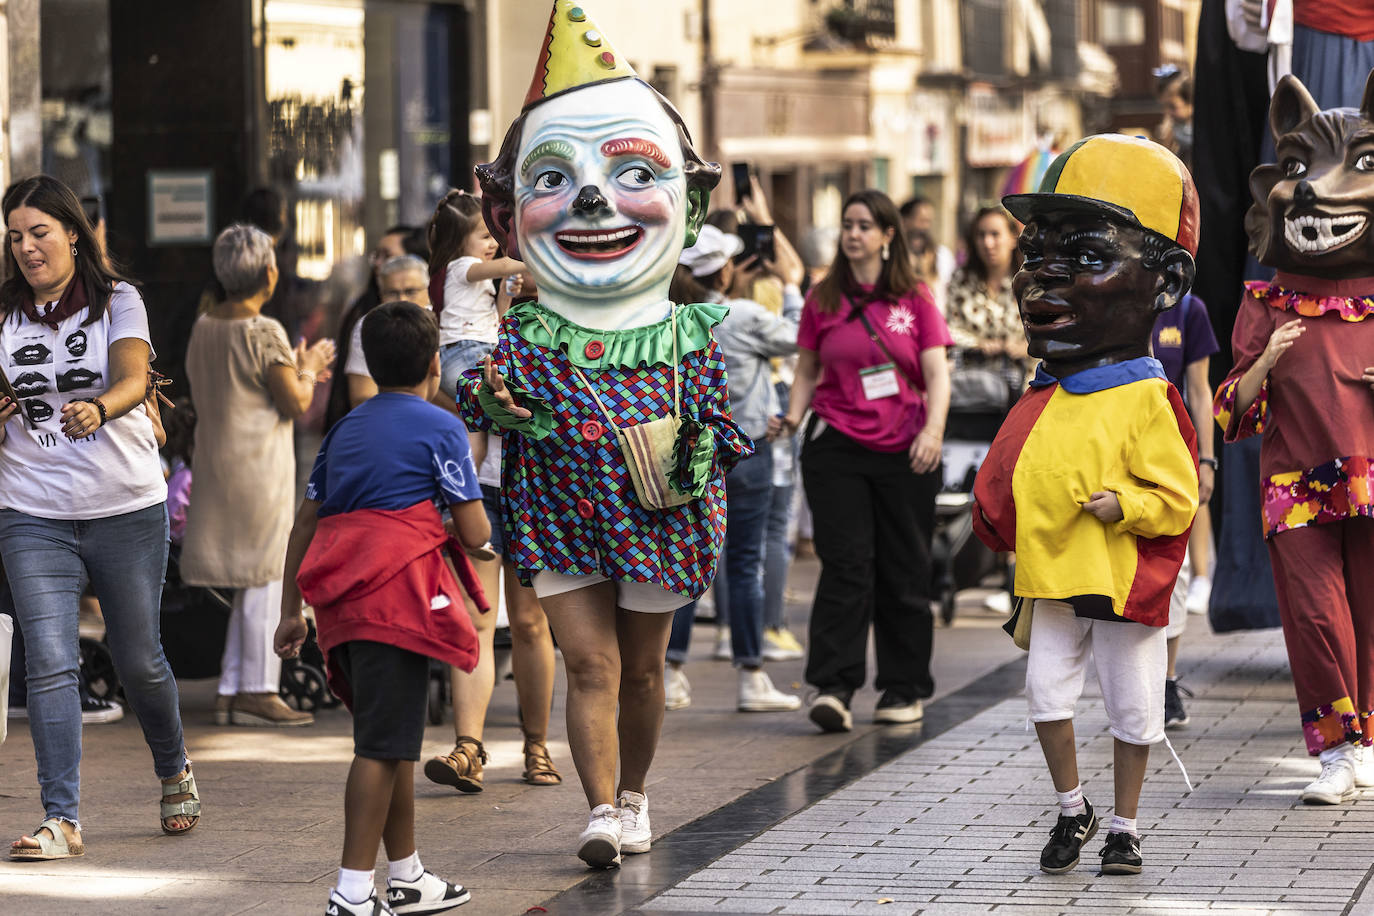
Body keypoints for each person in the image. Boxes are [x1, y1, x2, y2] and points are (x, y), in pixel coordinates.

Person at [462, 0, 750, 868]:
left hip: (657, 514)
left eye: (631, 172)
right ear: (508, 214)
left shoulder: (687, 330)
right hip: (559, 511)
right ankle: (598, 811)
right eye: (554, 177)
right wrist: (495, 402)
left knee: (643, 671)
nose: (593, 200)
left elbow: (718, 419)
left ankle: (634, 795)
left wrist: (700, 449)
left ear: (688, 206)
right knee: (589, 665)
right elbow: (482, 400)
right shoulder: (523, 332)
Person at [975, 134, 1200, 876]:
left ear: (1166, 281)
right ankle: (1073, 808)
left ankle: (1125, 826)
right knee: (1045, 697)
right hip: (1052, 578)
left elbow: (1177, 498)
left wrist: (1125, 505)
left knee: (1134, 706)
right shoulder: (1043, 391)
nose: (1044, 273)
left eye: (1086, 254)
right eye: (1035, 251)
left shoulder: (1146, 396)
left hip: (1118, 578)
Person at [0, 174, 198, 858]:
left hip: (125, 505)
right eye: (15, 237)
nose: (27, 247)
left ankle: (173, 766)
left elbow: (133, 377)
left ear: (73, 234)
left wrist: (101, 408)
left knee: (139, 660)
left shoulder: (118, 299)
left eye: (39, 232)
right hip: (32, 509)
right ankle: (62, 818)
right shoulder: (3, 313)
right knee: (51, 661)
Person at [276, 301, 485, 916]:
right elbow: (475, 531)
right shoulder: (441, 426)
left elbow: (305, 523)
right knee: (378, 748)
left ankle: (408, 875)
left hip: (341, 604)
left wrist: (290, 610)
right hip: (399, 601)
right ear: (435, 364)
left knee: (393, 742)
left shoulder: (344, 429)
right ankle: (351, 892)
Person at [1216, 70, 1374, 804]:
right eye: (1297, 167)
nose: (1311, 188)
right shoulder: (1264, 302)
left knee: (1369, 616)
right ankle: (1336, 751)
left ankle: (1366, 741)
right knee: (1314, 618)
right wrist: (1263, 365)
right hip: (1295, 483)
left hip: (1369, 475)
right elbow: (1231, 412)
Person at [769, 188, 952, 733]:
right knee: (846, 566)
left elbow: (937, 374)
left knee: (904, 568)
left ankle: (903, 688)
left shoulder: (914, 298)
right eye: (848, 225)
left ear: (887, 235)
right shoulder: (823, 298)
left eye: (864, 226)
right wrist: (792, 418)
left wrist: (934, 432)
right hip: (836, 447)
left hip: (907, 448)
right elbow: (806, 370)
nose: (853, 234)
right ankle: (834, 687)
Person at [181, 223, 335, 728]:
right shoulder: (263, 331)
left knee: (250, 577)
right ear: (269, 273)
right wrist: (308, 363)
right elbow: (296, 401)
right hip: (258, 471)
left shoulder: (205, 326)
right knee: (268, 573)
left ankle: (232, 688)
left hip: (216, 465)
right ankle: (257, 688)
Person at [663, 222, 803, 712]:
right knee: (744, 563)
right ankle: (751, 676)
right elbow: (802, 338)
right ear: (724, 270)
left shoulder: (670, 315)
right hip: (748, 449)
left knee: (686, 562)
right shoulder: (740, 313)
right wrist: (791, 286)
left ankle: (670, 672)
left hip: (688, 454)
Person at [1150, 292, 1220, 729]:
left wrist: (1206, 461)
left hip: (1175, 456)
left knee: (1173, 571)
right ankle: (1134, 679)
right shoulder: (1117, 294)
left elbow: (1199, 390)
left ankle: (1166, 682)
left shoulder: (1190, 309)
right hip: (1122, 453)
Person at [325, 224, 424, 431]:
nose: (378, 263)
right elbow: (361, 397)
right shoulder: (367, 321)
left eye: (387, 256)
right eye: (392, 293)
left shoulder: (446, 318)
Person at [945, 206, 1030, 442]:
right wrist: (979, 344)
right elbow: (949, 330)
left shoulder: (1030, 281)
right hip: (972, 393)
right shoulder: (961, 279)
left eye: (995, 234)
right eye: (981, 235)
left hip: (1022, 387)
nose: (987, 243)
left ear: (1013, 238)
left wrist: (1025, 348)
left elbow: (1049, 331)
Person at [344, 254, 432, 406]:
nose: (402, 299)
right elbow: (361, 397)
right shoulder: (367, 326)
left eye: (410, 291)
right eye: (392, 293)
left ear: (428, 291)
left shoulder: (448, 321)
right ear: (380, 295)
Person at [899, 196, 956, 311]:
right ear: (904, 221)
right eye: (921, 220)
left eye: (928, 221)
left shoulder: (942, 255)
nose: (925, 227)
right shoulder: (892, 256)